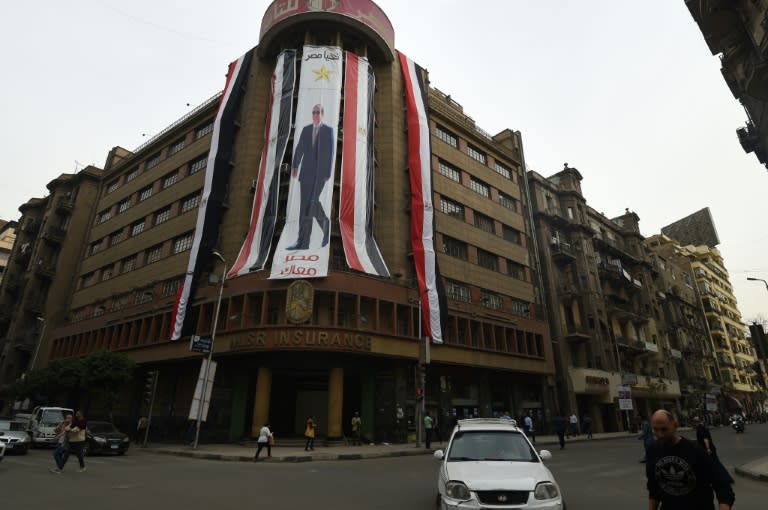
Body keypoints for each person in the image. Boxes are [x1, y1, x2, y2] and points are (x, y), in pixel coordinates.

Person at [646, 409, 734, 510]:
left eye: (664, 429)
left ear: (675, 425)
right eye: (655, 430)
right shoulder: (653, 451)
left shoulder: (695, 450)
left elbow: (722, 486)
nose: (660, 434)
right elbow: (653, 488)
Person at [287, 103, 334, 250]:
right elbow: (300, 147)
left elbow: (331, 152)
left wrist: (327, 172)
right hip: (306, 174)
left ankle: (326, 227)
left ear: (322, 114)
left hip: (320, 175)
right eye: (313, 112)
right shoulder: (306, 130)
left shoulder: (328, 130)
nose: (315, 115)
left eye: (318, 112)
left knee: (312, 203)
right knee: (304, 208)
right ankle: (303, 242)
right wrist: (295, 165)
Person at [693, 415, 734, 484]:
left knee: (714, 464)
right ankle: (723, 478)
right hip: (710, 448)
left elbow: (705, 439)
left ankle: (725, 479)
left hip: (708, 449)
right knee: (714, 464)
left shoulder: (700, 428)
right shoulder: (704, 426)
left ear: (695, 422)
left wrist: (708, 448)